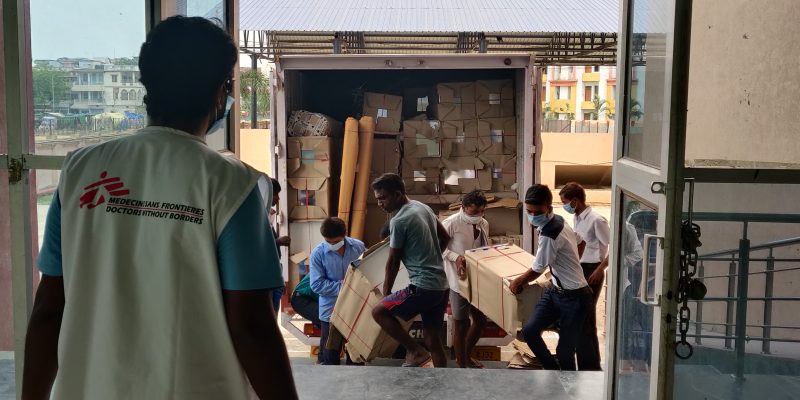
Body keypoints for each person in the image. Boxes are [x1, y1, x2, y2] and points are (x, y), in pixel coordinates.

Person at [22, 16, 297, 400]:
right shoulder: (233, 184)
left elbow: (48, 311)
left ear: (146, 83)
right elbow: (251, 326)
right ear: (220, 93)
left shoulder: (80, 171)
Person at [370, 173, 451, 368]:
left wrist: (386, 293)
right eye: (377, 199)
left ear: (397, 195)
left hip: (423, 287)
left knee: (379, 312)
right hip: (441, 286)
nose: (380, 203)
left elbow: (393, 261)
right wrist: (431, 259)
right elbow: (445, 238)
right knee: (432, 339)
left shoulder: (399, 221)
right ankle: (444, 380)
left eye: (383, 198)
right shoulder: (422, 207)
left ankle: (416, 351)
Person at [509, 184, 592, 371]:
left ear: (548, 207)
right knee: (530, 331)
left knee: (565, 352)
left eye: (537, 212)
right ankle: (552, 371)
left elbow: (537, 269)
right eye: (529, 211)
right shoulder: (558, 219)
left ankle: (567, 384)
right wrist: (569, 263)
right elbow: (581, 241)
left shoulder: (550, 233)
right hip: (555, 292)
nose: (532, 216)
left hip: (576, 298)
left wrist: (517, 282)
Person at [559, 182, 609, 370]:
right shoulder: (577, 218)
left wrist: (599, 270)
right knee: (583, 319)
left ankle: (591, 366)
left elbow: (614, 246)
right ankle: (589, 365)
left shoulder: (597, 220)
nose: (564, 206)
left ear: (575, 201)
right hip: (580, 269)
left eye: (565, 202)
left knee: (585, 318)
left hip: (592, 270)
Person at [441, 190, 489, 368]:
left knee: (480, 322)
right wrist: (456, 257)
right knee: (461, 324)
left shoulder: (484, 223)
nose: (478, 215)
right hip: (458, 281)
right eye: (474, 211)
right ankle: (462, 366)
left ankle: (466, 357)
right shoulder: (451, 223)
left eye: (481, 211)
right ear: (463, 207)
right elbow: (438, 249)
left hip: (478, 280)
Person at [309, 217, 366, 365]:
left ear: (344, 235)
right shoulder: (318, 254)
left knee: (356, 357)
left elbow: (367, 272)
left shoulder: (359, 248)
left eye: (336, 241)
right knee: (330, 357)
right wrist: (346, 287)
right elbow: (316, 284)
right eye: (328, 241)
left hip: (355, 309)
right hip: (331, 311)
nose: (332, 245)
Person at [266, 177, 291, 314]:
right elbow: (255, 246)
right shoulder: (255, 216)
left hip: (274, 274)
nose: (278, 198)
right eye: (275, 194)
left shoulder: (266, 215)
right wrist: (278, 242)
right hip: (266, 278)